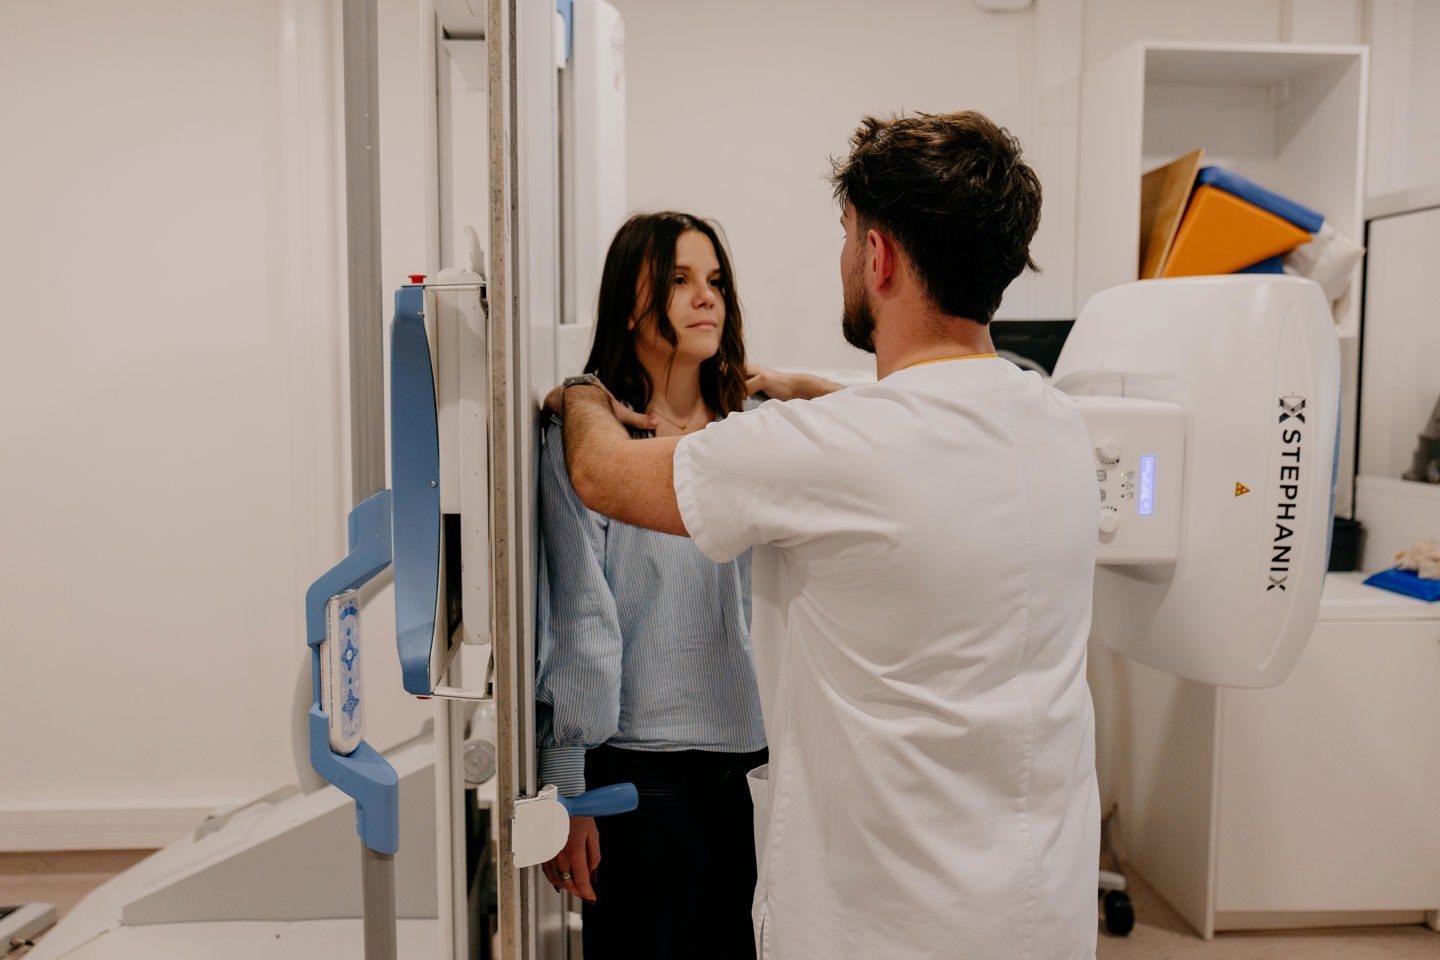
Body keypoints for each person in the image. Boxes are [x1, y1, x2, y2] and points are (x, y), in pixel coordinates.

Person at [555, 112, 1101, 959]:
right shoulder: (1059, 426)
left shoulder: (814, 449)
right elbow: (930, 424)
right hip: (1042, 908)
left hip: (887, 920)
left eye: (848, 236)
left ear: (877, 256)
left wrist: (580, 394)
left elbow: (600, 472)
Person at [534, 210, 836, 960]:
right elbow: (580, 614)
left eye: (716, 281)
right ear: (628, 305)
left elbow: (898, 441)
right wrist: (569, 785)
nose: (706, 297)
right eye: (677, 280)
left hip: (757, 764)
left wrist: (804, 388)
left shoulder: (757, 429)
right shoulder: (587, 438)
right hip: (637, 771)